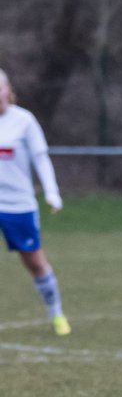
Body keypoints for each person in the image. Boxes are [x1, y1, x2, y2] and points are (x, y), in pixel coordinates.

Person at [0, 68, 69, 336]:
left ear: (8, 90)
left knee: (35, 263)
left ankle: (56, 314)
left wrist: (51, 191)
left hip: (18, 205)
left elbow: (41, 158)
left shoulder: (24, 121)